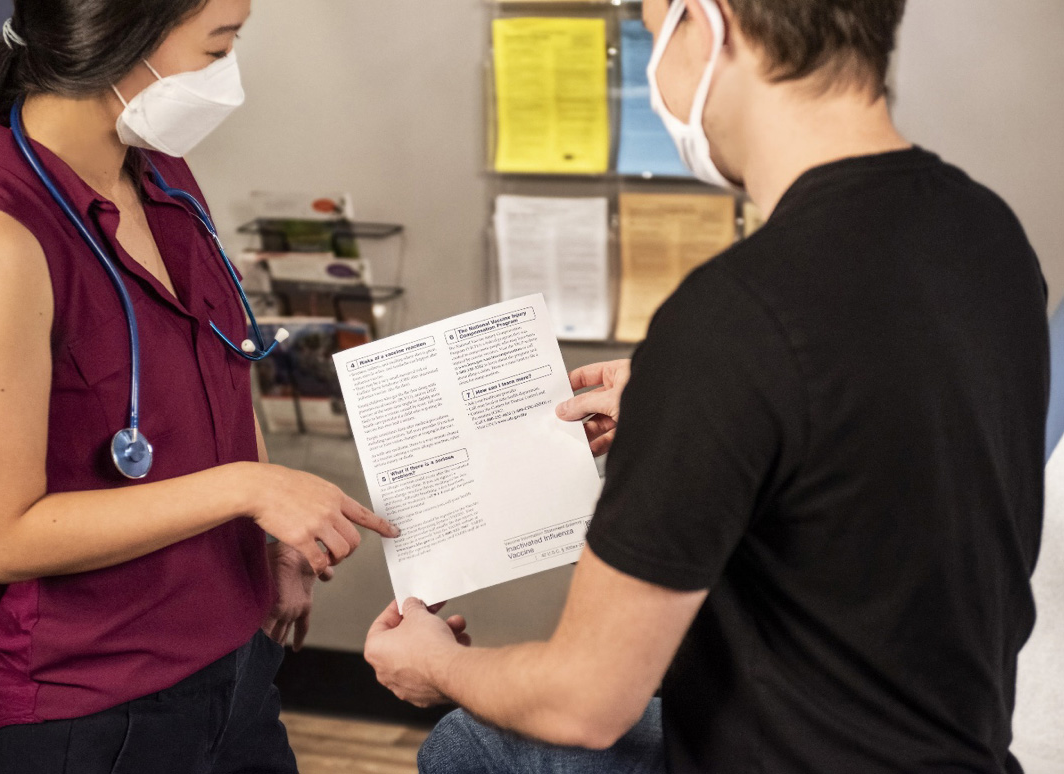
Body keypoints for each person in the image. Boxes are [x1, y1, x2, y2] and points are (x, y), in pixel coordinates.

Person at [364, 0, 1048, 772]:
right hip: (958, 748)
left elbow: (584, 700)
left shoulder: (733, 315)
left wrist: (436, 665)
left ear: (708, 23)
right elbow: (870, 432)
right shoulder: (989, 235)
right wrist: (693, 407)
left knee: (466, 747)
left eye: (654, 33)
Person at [0, 1, 398, 772]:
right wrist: (248, 488)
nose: (228, 74)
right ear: (123, 36)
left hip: (236, 676)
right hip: (94, 715)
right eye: (220, 45)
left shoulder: (164, 181)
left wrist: (268, 542)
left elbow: (223, 364)